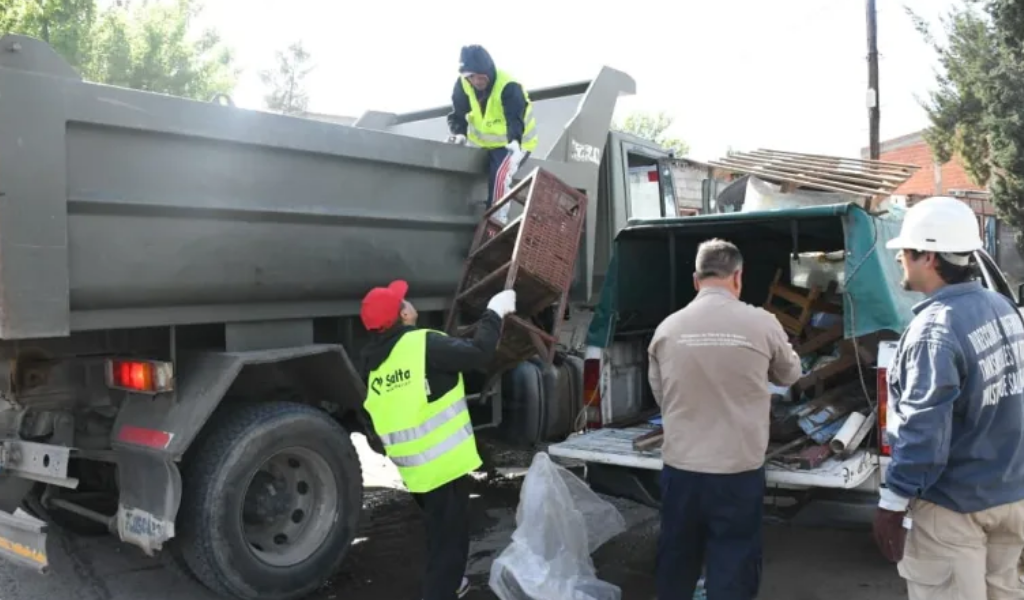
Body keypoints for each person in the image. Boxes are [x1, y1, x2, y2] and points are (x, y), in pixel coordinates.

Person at [873, 196, 1024, 598]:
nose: (899, 260)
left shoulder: (934, 330)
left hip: (953, 507)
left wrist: (893, 502)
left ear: (928, 256)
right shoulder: (1004, 308)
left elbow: (925, 432)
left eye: (904, 252)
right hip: (1010, 496)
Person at [647, 238, 802, 600]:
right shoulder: (761, 323)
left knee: (677, 556)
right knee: (734, 558)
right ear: (738, 277)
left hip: (681, 467)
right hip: (737, 470)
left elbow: (661, 395)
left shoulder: (667, 329)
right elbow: (790, 374)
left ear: (695, 279)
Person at [359, 280, 517, 600]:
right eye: (405, 300)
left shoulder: (373, 362)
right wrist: (494, 312)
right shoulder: (423, 344)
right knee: (449, 545)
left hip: (413, 468)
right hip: (442, 464)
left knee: (439, 532)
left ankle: (451, 584)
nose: (410, 303)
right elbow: (478, 354)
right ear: (403, 314)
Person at [446, 44, 538, 223]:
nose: (479, 81)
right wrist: (459, 133)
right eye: (473, 77)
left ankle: (495, 223)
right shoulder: (463, 85)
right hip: (484, 145)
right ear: (467, 76)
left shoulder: (509, 86)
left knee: (501, 173)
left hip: (515, 142)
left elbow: (515, 118)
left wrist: (515, 144)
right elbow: (457, 114)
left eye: (482, 76)